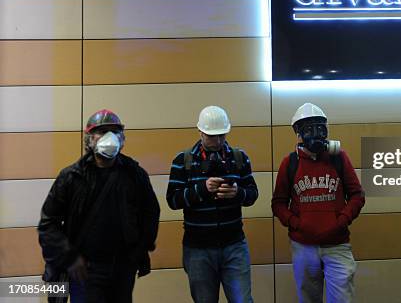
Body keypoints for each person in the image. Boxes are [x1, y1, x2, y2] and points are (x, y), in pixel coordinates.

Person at [38, 109, 161, 303]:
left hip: (122, 269)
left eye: (114, 132)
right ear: (89, 139)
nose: (109, 137)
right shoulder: (71, 177)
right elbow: (48, 224)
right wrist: (70, 257)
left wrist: (138, 251)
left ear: (122, 138)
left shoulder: (134, 174)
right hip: (85, 269)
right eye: (102, 132)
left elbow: (151, 212)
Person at [272, 103, 366, 303]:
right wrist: (297, 224)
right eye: (309, 128)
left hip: (338, 245)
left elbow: (357, 195)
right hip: (303, 246)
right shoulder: (290, 163)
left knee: (342, 299)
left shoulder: (339, 158)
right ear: (298, 133)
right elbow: (278, 203)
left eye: (320, 128)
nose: (316, 134)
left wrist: (341, 221)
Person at [166, 105, 258, 303]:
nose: (217, 141)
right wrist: (202, 189)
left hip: (234, 245)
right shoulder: (183, 161)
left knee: (243, 300)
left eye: (222, 136)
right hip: (198, 249)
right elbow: (172, 200)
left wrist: (237, 193)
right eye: (211, 136)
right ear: (200, 132)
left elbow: (252, 195)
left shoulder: (239, 158)